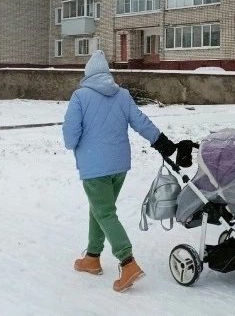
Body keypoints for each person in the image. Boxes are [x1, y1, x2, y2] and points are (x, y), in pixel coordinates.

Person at [62, 50, 176, 293]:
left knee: (104, 212)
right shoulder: (122, 95)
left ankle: (127, 262)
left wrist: (78, 144)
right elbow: (140, 121)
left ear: (88, 74)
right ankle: (92, 257)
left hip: (95, 166)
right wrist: (161, 142)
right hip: (119, 165)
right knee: (100, 209)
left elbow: (70, 136)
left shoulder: (80, 96)